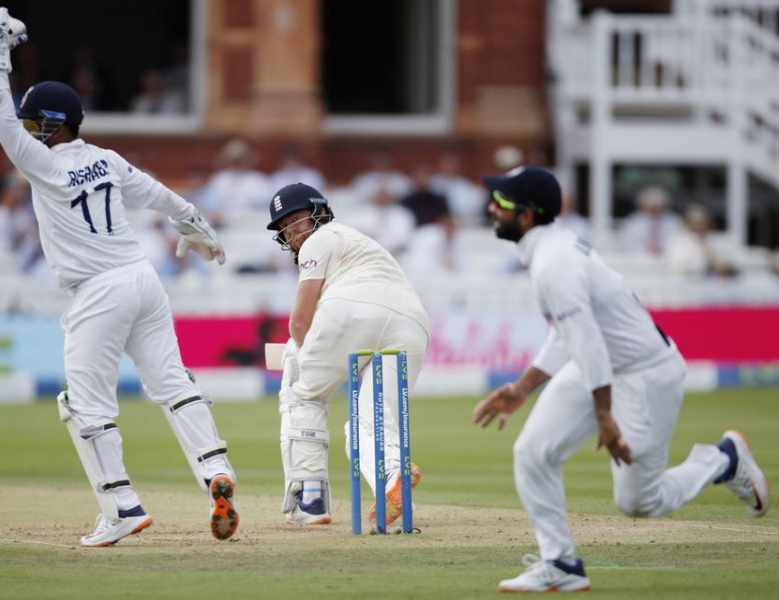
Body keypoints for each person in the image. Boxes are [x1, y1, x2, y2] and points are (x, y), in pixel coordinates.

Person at [0, 5, 239, 546]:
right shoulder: (109, 159)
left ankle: (121, 506)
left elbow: (0, 116)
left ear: (49, 125)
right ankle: (215, 468)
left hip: (97, 291)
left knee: (83, 405)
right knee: (173, 383)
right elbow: (164, 197)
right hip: (143, 279)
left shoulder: (44, 165)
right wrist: (199, 230)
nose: (26, 130)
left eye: (33, 123)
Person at [473, 166, 770, 593]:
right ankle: (561, 563)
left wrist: (604, 415)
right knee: (533, 451)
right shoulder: (546, 251)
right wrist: (522, 388)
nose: (491, 208)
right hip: (600, 367)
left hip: (646, 374)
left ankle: (723, 459)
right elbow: (571, 334)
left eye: (500, 203)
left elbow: (588, 341)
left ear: (526, 216)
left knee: (639, 503)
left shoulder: (553, 262)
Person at [266, 182, 430, 526]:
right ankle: (394, 475)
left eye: (296, 220)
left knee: (301, 392)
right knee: (369, 420)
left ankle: (310, 498)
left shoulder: (320, 239)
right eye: (283, 226)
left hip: (353, 310)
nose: (291, 231)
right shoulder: (360, 242)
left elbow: (300, 320)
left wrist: (298, 355)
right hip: (412, 323)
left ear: (319, 212)